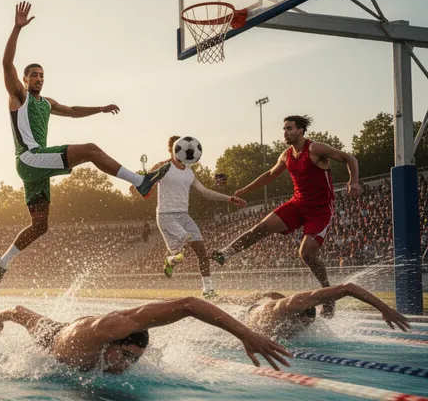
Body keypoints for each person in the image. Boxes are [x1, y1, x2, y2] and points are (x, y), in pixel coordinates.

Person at [0, 1, 171, 294]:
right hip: (29, 158)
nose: (38, 78)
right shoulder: (19, 97)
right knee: (90, 150)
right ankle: (141, 182)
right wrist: (17, 28)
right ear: (24, 79)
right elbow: (5, 63)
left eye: (41, 75)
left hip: (37, 170)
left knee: (40, 226)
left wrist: (100, 108)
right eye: (33, 74)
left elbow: (72, 110)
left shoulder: (46, 103)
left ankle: (2, 264)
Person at [212, 115, 360, 318]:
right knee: (260, 228)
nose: (285, 132)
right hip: (297, 204)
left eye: (289, 128)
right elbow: (270, 175)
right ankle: (226, 253)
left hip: (320, 210)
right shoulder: (286, 155)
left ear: (300, 131)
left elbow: (349, 158)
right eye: (284, 128)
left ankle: (328, 293)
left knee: (306, 253)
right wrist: (243, 190)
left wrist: (354, 181)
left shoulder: (315, 148)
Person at [0, 297, 291, 374]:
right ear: (112, 342)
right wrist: (246, 334)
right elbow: (189, 304)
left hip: (92, 330)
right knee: (21, 315)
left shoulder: (117, 336)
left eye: (133, 360)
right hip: (57, 339)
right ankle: (0, 315)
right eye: (126, 356)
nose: (126, 366)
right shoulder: (102, 331)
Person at [154, 135, 246, 297]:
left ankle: (208, 289)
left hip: (184, 215)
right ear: (171, 150)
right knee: (182, 244)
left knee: (202, 251)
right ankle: (170, 259)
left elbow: (205, 192)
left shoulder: (189, 173)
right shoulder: (163, 167)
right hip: (166, 215)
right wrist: (139, 184)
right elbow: (146, 180)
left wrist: (229, 198)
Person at [243, 283, 410, 340]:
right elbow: (348, 288)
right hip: (246, 318)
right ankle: (264, 295)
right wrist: (384, 308)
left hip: (274, 312)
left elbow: (348, 289)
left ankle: (268, 295)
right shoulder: (288, 307)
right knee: (276, 303)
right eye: (302, 322)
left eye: (308, 324)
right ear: (297, 314)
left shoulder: (300, 316)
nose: (304, 327)